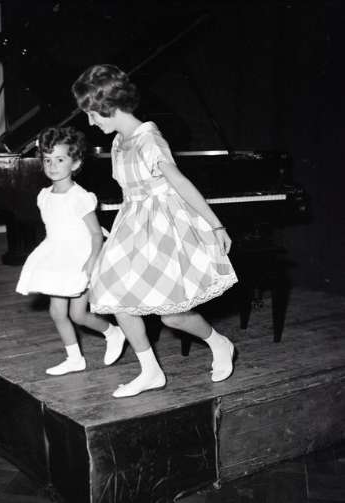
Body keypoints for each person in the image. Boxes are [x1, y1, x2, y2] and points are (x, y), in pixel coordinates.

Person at [71, 64, 238, 398]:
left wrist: (215, 224)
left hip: (162, 228)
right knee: (115, 296)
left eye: (92, 114)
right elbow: (129, 193)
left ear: (110, 106)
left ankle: (219, 343)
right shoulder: (118, 141)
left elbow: (179, 182)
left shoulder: (149, 138)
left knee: (172, 317)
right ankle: (150, 371)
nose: (91, 122)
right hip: (132, 226)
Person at [16, 126, 126, 376]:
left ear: (75, 163)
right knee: (57, 312)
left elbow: (96, 233)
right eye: (47, 160)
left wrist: (92, 260)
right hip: (58, 257)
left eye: (60, 159)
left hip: (80, 257)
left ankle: (113, 332)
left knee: (78, 315)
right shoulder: (44, 195)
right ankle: (74, 358)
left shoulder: (79, 197)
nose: (52, 165)